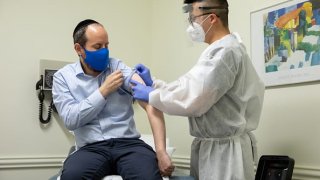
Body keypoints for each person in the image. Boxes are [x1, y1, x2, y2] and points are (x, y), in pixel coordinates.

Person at [130, 0, 265, 179]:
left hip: (224, 153)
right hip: (214, 149)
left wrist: (152, 95)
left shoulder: (225, 52)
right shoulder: (219, 51)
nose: (191, 24)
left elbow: (193, 100)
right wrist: (154, 84)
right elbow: (189, 87)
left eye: (193, 18)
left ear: (212, 18)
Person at [52, 19, 174, 180]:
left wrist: (161, 151)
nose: (104, 51)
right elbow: (70, 119)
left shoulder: (118, 68)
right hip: (90, 149)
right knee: (71, 176)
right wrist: (103, 91)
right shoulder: (63, 77)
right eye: (97, 47)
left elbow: (151, 103)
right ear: (78, 49)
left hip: (129, 146)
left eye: (106, 45)